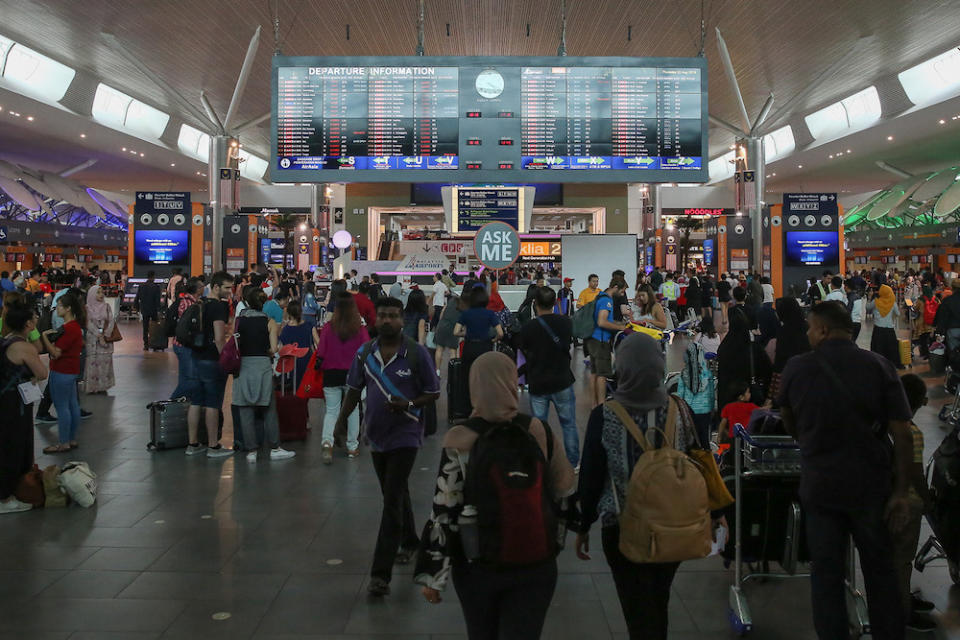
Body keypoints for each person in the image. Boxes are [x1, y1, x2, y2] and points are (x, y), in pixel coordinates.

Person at [778, 301, 915, 640]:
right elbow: (902, 434)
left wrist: (811, 439)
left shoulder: (796, 368)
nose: (808, 334)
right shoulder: (880, 366)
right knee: (880, 573)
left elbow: (788, 421)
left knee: (825, 576)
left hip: (821, 487)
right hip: (871, 486)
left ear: (823, 330)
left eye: (811, 328)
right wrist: (901, 492)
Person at [414, 351, 575, 638]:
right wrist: (554, 544)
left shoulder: (460, 438)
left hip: (478, 564)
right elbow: (564, 490)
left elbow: (444, 509)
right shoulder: (538, 430)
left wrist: (434, 576)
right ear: (512, 382)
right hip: (535, 563)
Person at [575, 333, 720, 640]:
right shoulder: (681, 409)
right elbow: (702, 460)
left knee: (636, 606)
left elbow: (590, 475)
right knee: (658, 598)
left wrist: (584, 523)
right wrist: (718, 512)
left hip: (622, 526)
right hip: (673, 523)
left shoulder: (605, 416)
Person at [336, 297, 441, 596]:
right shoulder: (365, 353)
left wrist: (408, 403)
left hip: (406, 434)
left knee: (391, 500)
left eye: (393, 316)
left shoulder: (416, 354)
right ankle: (410, 540)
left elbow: (432, 392)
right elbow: (354, 390)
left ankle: (380, 574)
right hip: (377, 435)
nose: (386, 321)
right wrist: (341, 421)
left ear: (402, 319)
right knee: (394, 491)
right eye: (382, 315)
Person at [892, 374, 937, 632]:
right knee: (902, 560)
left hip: (890, 501)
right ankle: (902, 612)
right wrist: (928, 500)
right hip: (908, 504)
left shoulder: (889, 426)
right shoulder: (912, 433)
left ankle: (900, 599)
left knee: (896, 557)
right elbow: (916, 473)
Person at [232, 288, 295, 463]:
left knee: (245, 408)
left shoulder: (239, 321)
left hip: (243, 366)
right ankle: (274, 447)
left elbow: (235, 343)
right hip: (262, 366)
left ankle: (251, 450)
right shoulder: (270, 322)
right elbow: (274, 349)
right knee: (268, 408)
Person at [520, 286, 579, 467]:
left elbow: (524, 349)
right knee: (568, 424)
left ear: (535, 303)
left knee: (539, 426)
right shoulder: (566, 323)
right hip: (562, 380)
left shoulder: (529, 327)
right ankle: (573, 462)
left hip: (538, 382)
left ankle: (542, 461)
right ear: (555, 303)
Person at [0, 300, 47, 513]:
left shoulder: (5, 341)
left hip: (5, 398)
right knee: (15, 446)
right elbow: (42, 373)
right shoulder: (24, 347)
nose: (37, 319)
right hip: (15, 404)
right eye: (34, 318)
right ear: (28, 323)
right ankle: (6, 497)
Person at [184, 271, 234, 458]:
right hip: (212, 360)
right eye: (227, 288)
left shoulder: (200, 303)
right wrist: (226, 359)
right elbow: (220, 337)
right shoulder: (218, 307)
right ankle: (213, 446)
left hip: (196, 357)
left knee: (196, 401)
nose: (230, 292)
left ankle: (192, 443)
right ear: (215, 287)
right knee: (213, 403)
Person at [316, 292, 369, 463]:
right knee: (352, 410)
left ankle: (327, 442)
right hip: (353, 375)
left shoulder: (328, 327)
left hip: (331, 373)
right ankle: (352, 447)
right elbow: (366, 350)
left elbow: (321, 352)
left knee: (331, 411)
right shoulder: (359, 329)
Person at [39, 292, 85, 453]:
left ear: (68, 308)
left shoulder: (68, 329)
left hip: (61, 370)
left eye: (59, 306)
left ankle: (63, 442)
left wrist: (44, 337)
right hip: (71, 370)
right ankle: (71, 439)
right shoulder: (76, 327)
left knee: (62, 407)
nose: (56, 309)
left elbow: (56, 352)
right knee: (72, 405)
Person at [717, 306, 772, 409]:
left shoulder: (724, 349)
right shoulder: (754, 349)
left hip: (729, 404)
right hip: (751, 402)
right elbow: (768, 373)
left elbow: (721, 380)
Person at [586, 278, 629, 407]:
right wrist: (621, 327)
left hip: (593, 339)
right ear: (615, 287)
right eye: (622, 291)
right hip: (601, 341)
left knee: (594, 373)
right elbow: (602, 322)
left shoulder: (600, 296)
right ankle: (601, 405)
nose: (622, 295)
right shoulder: (607, 301)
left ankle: (594, 404)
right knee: (602, 375)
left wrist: (619, 323)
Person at [764, 297, 810, 402]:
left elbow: (780, 360)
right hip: (808, 377)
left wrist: (771, 396)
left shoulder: (784, 331)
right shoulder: (808, 327)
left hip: (789, 377)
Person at [453, 286, 503, 378]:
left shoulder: (466, 313)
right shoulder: (490, 313)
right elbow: (500, 333)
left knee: (467, 376)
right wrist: (494, 340)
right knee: (485, 376)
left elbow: (455, 332)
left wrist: (465, 333)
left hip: (469, 347)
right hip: (485, 347)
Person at [676, 341, 715, 445]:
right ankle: (705, 457)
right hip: (705, 411)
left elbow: (680, 396)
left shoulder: (684, 374)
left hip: (689, 411)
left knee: (691, 439)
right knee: (704, 438)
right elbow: (711, 395)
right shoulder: (707, 374)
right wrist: (712, 409)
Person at [169, 277, 202, 400]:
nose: (204, 288)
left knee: (184, 377)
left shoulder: (189, 301)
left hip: (181, 343)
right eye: (202, 286)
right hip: (184, 344)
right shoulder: (189, 303)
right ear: (197, 289)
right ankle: (170, 403)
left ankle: (179, 406)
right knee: (190, 380)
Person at [82, 284, 116, 395]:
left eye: (101, 292)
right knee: (92, 362)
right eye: (98, 292)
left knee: (104, 363)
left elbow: (111, 321)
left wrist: (105, 334)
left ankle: (103, 386)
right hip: (92, 340)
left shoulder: (106, 307)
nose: (101, 295)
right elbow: (88, 323)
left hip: (105, 341)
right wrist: (98, 334)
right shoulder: (87, 308)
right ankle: (92, 387)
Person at [278, 300, 314, 386]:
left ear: (288, 312)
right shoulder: (309, 325)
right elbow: (316, 344)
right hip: (307, 359)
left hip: (292, 362)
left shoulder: (286, 329)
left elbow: (281, 350)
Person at [867, 283, 901, 367]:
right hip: (889, 329)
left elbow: (868, 309)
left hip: (878, 329)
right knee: (892, 349)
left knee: (878, 348)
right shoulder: (893, 303)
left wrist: (869, 298)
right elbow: (898, 313)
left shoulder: (876, 302)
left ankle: (879, 365)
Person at [433, 294, 463, 377]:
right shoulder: (463, 307)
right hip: (453, 328)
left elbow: (442, 312)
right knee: (453, 351)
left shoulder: (450, 302)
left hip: (442, 325)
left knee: (439, 349)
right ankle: (452, 371)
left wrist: (440, 323)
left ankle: (437, 371)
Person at [134, 270, 163, 351]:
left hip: (144, 309)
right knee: (155, 327)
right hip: (153, 310)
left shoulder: (142, 286)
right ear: (153, 277)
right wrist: (159, 309)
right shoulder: (156, 287)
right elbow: (157, 300)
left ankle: (146, 345)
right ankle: (154, 344)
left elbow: (137, 298)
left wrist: (136, 307)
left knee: (145, 327)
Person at [935, 278, 960, 351]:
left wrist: (939, 330)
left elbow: (942, 317)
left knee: (954, 352)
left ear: (952, 288)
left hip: (952, 329)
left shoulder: (947, 300)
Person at [914, 285, 937, 360]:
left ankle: (924, 353)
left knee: (922, 339)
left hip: (922, 323)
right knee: (931, 339)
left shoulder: (920, 299)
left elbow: (915, 308)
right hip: (932, 322)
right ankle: (931, 353)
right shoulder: (935, 299)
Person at [846, 278, 866, 343]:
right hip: (858, 323)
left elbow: (848, 311)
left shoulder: (850, 297)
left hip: (851, 323)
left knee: (849, 343)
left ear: (846, 286)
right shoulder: (858, 296)